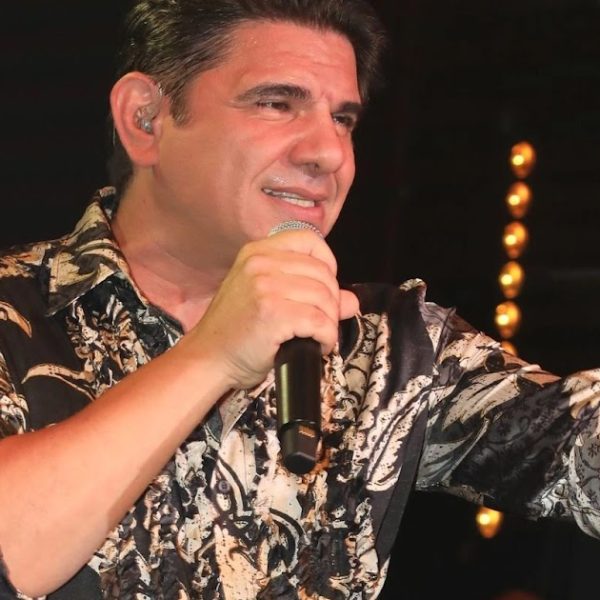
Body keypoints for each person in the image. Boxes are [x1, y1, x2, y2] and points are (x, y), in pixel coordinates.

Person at [0, 0, 599, 598]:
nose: (328, 152)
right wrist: (212, 355)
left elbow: (575, 453)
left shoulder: (390, 349)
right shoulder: (16, 313)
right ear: (145, 119)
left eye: (342, 119)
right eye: (276, 103)